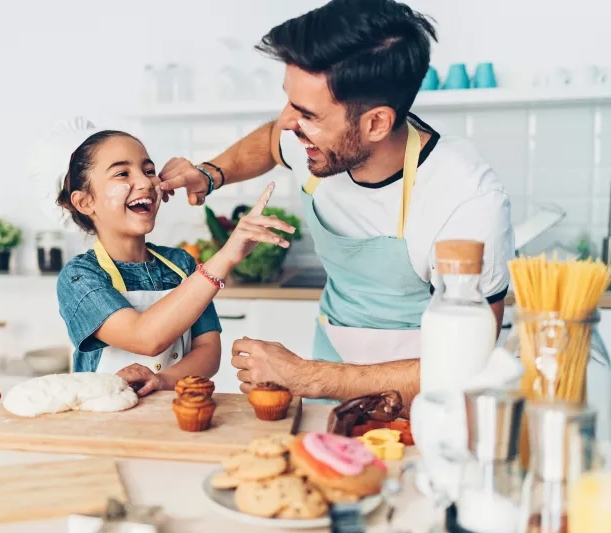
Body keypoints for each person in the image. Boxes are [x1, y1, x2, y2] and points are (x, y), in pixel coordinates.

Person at [157, 0, 514, 406]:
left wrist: (308, 377)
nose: (288, 122)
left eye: (307, 113)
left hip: (427, 401)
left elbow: (464, 363)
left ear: (376, 123)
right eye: (289, 102)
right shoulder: (311, 142)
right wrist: (211, 173)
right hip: (331, 365)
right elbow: (270, 142)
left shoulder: (464, 197)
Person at [50, 126, 294, 396]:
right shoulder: (80, 276)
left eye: (149, 170)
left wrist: (162, 381)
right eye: (122, 173)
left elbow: (209, 351)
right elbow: (144, 337)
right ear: (85, 202)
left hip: (175, 409)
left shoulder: (180, 263)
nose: (144, 183)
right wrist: (225, 256)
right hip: (104, 419)